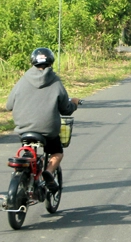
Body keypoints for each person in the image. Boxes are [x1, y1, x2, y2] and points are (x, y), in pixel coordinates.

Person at [6, 47, 79, 194]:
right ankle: (49, 172)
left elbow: (8, 106)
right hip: (48, 130)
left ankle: (27, 168)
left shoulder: (22, 80)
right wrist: (75, 103)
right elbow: (66, 109)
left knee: (28, 148)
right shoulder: (56, 82)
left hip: (24, 129)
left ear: (33, 61)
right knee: (57, 153)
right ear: (51, 61)